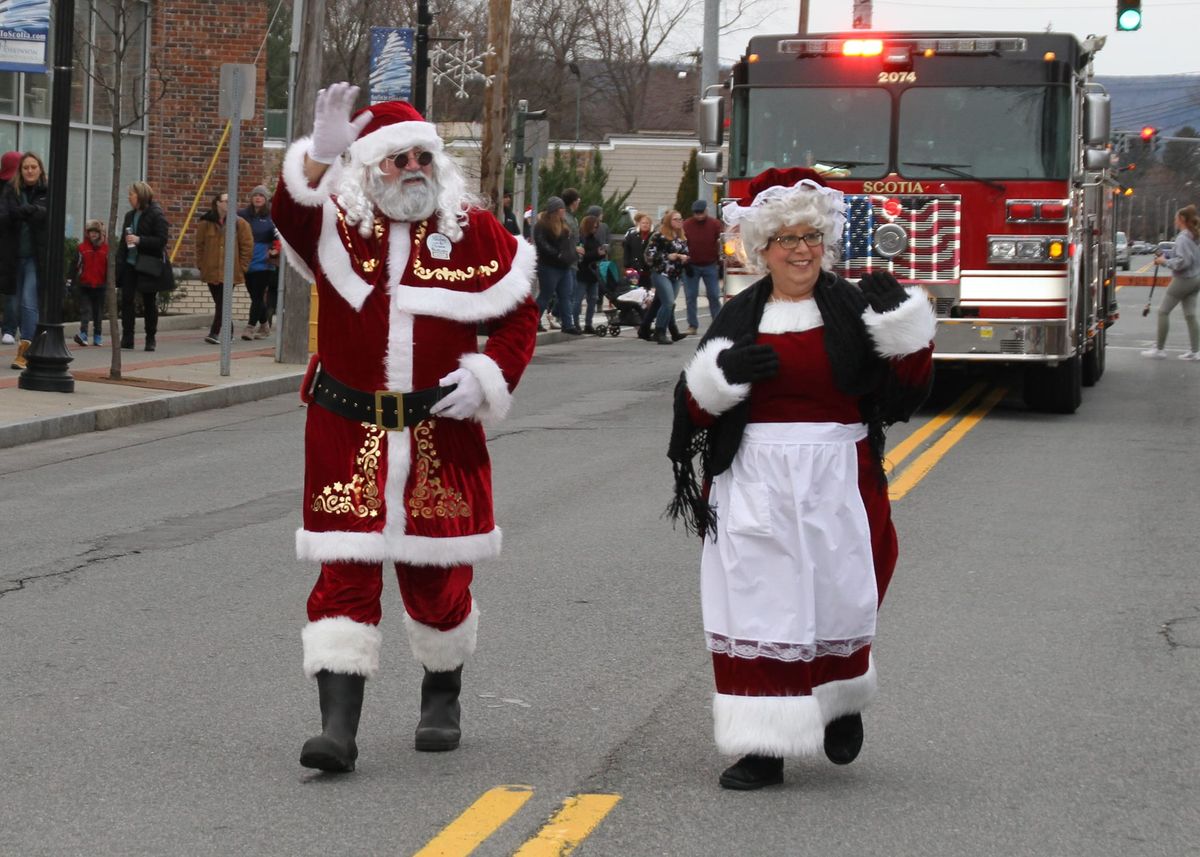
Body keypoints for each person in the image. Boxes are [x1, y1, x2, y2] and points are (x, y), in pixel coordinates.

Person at [272, 82, 538, 774]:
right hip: (345, 431)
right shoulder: (335, 219)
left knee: (436, 579)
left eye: (423, 156)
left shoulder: (469, 228)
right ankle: (338, 728)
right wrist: (313, 160)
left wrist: (486, 377)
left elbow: (518, 311)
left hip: (437, 433)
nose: (413, 167)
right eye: (397, 159)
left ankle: (441, 690)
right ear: (367, 168)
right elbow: (287, 211)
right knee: (343, 576)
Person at [666, 167, 936, 790]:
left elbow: (905, 396)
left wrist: (906, 335)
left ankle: (838, 703)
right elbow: (692, 411)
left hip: (839, 476)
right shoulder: (740, 314)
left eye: (810, 235)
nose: (799, 249)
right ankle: (763, 745)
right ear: (761, 249)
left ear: (826, 241)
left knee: (840, 596)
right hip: (754, 477)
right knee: (761, 605)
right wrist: (721, 377)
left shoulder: (853, 307)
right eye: (784, 238)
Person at [7, 152, 49, 370]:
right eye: (26, 167)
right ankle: (31, 341)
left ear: (40, 169)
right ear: (20, 171)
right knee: (13, 306)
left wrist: (30, 211)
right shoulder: (11, 192)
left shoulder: (46, 192)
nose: (30, 171)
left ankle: (25, 351)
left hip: (35, 257)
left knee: (27, 301)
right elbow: (7, 214)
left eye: (34, 167)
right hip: (14, 257)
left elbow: (45, 214)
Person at [1141, 205, 1200, 361]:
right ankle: (1195, 351)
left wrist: (1164, 261)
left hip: (1183, 278)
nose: (1174, 221)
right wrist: (1166, 256)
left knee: (1163, 311)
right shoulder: (1195, 236)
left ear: (1181, 219)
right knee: (1190, 315)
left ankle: (1159, 349)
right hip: (1196, 278)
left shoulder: (1182, 237)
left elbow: (1182, 262)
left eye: (1176, 218)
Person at [117, 181, 171, 352]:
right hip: (130, 263)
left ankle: (150, 338)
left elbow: (161, 240)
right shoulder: (129, 215)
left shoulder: (156, 214)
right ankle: (127, 337)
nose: (129, 197)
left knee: (149, 301)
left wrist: (140, 240)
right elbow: (122, 242)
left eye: (131, 194)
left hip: (147, 264)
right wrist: (120, 262)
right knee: (126, 300)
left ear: (140, 196)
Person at [195, 192, 253, 344]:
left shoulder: (240, 223)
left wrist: (242, 267)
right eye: (226, 201)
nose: (229, 203)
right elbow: (200, 246)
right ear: (218, 203)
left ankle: (214, 332)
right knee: (220, 302)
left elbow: (247, 247)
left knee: (222, 301)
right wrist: (201, 265)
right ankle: (230, 331)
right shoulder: (205, 223)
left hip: (231, 270)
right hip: (211, 269)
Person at [644, 209, 690, 345]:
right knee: (668, 302)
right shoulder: (659, 236)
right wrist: (667, 256)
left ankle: (648, 329)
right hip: (661, 273)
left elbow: (687, 252)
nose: (679, 222)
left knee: (666, 303)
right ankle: (660, 331)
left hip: (676, 275)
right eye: (676, 219)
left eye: (681, 219)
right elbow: (649, 255)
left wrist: (684, 258)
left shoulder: (682, 237)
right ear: (669, 221)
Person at [533, 196, 578, 334]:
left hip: (564, 265)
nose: (563, 211)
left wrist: (572, 254)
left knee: (565, 295)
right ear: (555, 210)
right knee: (545, 295)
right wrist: (557, 254)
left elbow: (567, 243)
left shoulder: (563, 223)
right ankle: (533, 322)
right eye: (561, 208)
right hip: (549, 266)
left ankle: (568, 324)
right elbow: (541, 244)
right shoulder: (542, 225)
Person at [239, 185, 279, 340]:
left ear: (266, 199)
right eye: (255, 195)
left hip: (264, 262)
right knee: (253, 295)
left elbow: (279, 236)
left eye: (261, 196)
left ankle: (249, 327)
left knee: (257, 296)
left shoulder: (271, 217)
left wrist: (275, 250)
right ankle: (264, 325)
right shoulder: (242, 215)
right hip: (246, 259)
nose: (258, 198)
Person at [682, 199, 724, 334]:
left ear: (706, 211)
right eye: (696, 213)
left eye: (701, 212)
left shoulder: (715, 224)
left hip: (710, 264)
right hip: (691, 265)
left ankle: (717, 324)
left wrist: (721, 261)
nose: (699, 216)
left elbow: (722, 240)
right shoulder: (686, 225)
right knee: (690, 296)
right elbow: (681, 242)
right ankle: (692, 325)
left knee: (713, 295)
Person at [0, 150, 24, 346]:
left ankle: (9, 328)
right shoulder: (17, 191)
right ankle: (9, 328)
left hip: (10, 245)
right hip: (12, 246)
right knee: (11, 290)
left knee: (11, 289)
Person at [73, 220, 109, 347]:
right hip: (85, 284)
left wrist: (110, 282)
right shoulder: (82, 248)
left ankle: (98, 335)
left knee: (98, 312)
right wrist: (72, 279)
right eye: (91, 232)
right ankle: (83, 334)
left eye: (95, 232)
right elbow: (75, 265)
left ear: (100, 233)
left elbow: (110, 268)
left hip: (100, 285)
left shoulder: (106, 249)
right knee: (85, 310)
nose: (93, 234)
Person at [576, 213, 606, 334]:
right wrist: (596, 254)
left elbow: (596, 253)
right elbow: (582, 257)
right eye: (594, 227)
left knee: (593, 299)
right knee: (578, 299)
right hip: (582, 272)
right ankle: (576, 322)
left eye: (597, 227)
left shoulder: (594, 239)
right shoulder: (581, 238)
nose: (596, 229)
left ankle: (588, 323)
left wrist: (602, 253)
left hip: (593, 273)